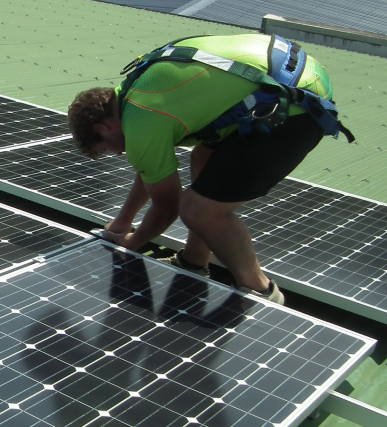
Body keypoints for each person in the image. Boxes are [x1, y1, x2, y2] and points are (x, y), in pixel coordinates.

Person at [67, 33, 350, 306]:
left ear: (103, 127)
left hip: (292, 108)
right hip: (288, 75)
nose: (117, 153)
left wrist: (133, 242)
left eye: (105, 148)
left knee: (199, 209)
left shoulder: (141, 123)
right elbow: (151, 170)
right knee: (202, 157)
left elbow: (167, 206)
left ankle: (259, 289)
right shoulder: (138, 91)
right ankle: (193, 262)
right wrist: (121, 223)